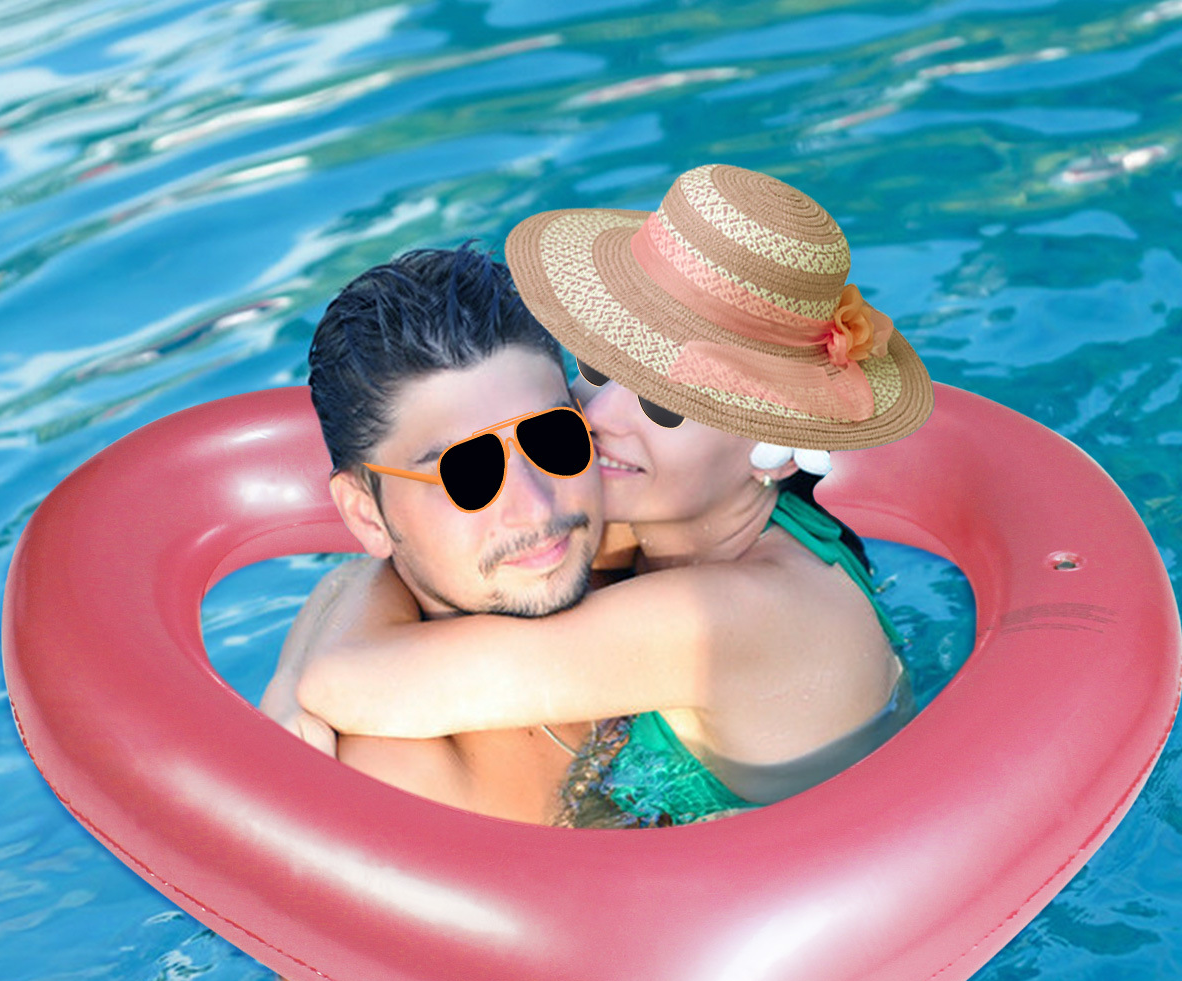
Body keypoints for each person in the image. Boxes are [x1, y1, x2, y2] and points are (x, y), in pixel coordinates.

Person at [250, 243, 888, 981]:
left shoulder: (630, 566)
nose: (539, 508)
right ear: (368, 515)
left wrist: (307, 654)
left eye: (555, 439)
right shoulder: (393, 781)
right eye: (466, 474)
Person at [292, 165, 933, 828]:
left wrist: (289, 696)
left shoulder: (733, 614)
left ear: (776, 446)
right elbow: (367, 575)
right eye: (601, 368)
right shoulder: (686, 527)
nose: (597, 418)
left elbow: (352, 680)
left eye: (664, 405)